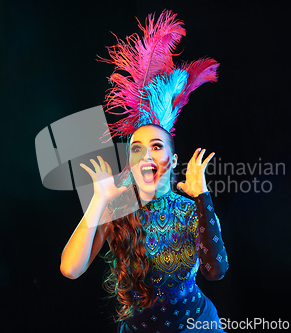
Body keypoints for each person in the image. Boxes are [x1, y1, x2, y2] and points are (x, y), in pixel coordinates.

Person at [60, 9, 228, 332]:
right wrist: (99, 200)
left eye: (156, 146)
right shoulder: (118, 209)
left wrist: (203, 195)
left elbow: (215, 270)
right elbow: (70, 268)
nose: (144, 155)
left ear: (173, 160)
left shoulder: (192, 209)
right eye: (136, 148)